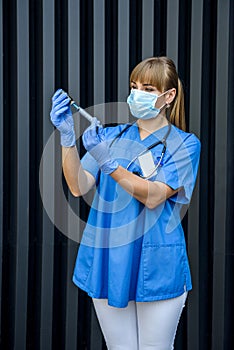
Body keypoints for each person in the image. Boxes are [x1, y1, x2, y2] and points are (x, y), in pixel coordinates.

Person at [50, 56, 201, 350]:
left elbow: (156, 195)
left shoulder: (186, 144)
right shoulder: (110, 136)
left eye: (148, 88)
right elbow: (77, 186)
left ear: (169, 96)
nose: (136, 94)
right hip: (109, 260)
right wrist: (67, 139)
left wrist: (109, 164)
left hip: (156, 264)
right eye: (134, 86)